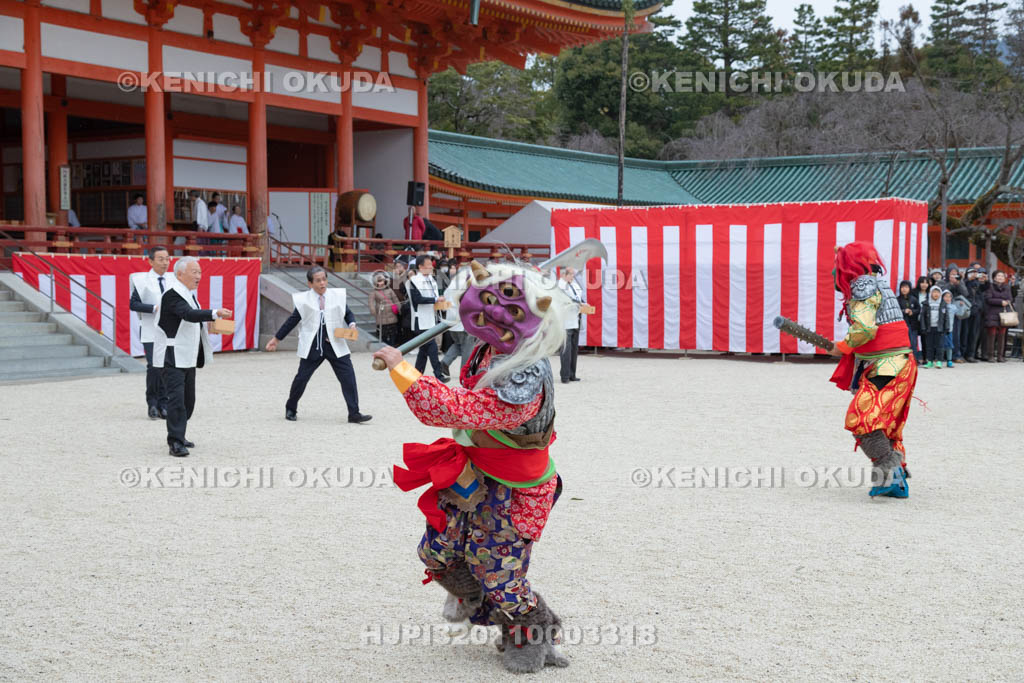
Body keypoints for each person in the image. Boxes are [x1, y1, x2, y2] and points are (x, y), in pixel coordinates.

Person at [372, 259, 573, 674]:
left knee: (500, 571)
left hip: (514, 485)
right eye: (487, 303)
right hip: (474, 470)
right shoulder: (487, 347)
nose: (496, 315)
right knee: (438, 551)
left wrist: (403, 370)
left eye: (512, 311)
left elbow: (459, 407)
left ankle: (532, 629)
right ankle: (474, 595)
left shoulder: (527, 369)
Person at [829, 242, 916, 499]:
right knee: (885, 424)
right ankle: (893, 482)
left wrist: (844, 345)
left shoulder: (862, 285)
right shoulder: (879, 283)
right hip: (901, 362)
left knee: (862, 420)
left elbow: (866, 328)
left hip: (887, 364)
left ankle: (891, 472)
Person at [265, 266, 371, 423]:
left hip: (334, 343)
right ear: (310, 283)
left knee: (348, 377)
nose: (322, 283)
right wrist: (276, 339)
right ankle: (291, 407)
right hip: (313, 344)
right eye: (318, 280)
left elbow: (347, 313)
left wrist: (352, 324)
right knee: (302, 378)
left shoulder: (337, 296)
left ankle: (354, 413)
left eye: (324, 279)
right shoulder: (304, 300)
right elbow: (292, 321)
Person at [153, 257, 232, 457]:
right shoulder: (172, 294)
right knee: (177, 400)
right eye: (194, 272)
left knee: (189, 400)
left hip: (187, 354)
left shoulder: (189, 294)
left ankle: (180, 432)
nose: (198, 276)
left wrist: (211, 325)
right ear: (180, 274)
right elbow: (188, 314)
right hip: (172, 355)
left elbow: (192, 319)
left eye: (199, 272)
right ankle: (175, 442)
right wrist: (215, 313)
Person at [129, 246, 176, 419]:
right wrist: (154, 308)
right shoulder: (142, 280)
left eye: (167, 259)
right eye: (161, 259)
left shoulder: (174, 279)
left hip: (169, 329)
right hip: (150, 328)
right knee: (153, 366)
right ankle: (152, 403)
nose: (165, 263)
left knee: (166, 366)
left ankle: (164, 403)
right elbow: (133, 304)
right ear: (150, 261)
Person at [406, 254, 449, 382]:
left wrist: (441, 302)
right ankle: (439, 375)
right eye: (428, 265)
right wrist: (436, 299)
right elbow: (417, 299)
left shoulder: (432, 279)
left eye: (431, 265)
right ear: (420, 267)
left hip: (431, 317)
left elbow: (435, 296)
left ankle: (416, 375)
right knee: (432, 347)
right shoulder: (413, 281)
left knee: (423, 351)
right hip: (420, 319)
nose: (431, 267)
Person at [438, 265, 479, 378]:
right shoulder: (468, 285)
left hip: (451, 322)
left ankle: (445, 362)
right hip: (463, 322)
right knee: (467, 348)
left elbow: (445, 302)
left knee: (458, 344)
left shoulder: (452, 285)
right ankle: (464, 372)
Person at [558, 267, 585, 383]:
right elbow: (567, 299)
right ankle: (565, 375)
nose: (573, 276)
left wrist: (583, 303)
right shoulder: (560, 285)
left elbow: (578, 297)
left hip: (576, 318)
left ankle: (572, 374)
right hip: (565, 321)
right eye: (571, 274)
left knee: (574, 349)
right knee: (566, 349)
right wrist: (579, 303)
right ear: (564, 274)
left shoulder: (573, 284)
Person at [983, 270, 1014, 363]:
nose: (1000, 277)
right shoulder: (990, 286)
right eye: (998, 276)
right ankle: (990, 355)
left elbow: (1010, 298)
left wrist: (1007, 301)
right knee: (991, 335)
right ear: (994, 277)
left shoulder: (1007, 287)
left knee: (1002, 335)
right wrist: (1001, 302)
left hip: (1004, 313)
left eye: (1002, 276)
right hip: (992, 313)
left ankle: (1000, 356)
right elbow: (988, 299)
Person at [369, 271, 401, 347]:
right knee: (383, 335)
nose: (381, 283)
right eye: (379, 281)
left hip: (392, 314)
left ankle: (392, 346)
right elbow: (371, 302)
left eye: (382, 281)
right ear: (376, 282)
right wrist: (373, 311)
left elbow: (395, 300)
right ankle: (386, 347)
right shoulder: (373, 292)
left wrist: (399, 308)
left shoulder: (390, 290)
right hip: (381, 316)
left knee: (393, 334)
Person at [919, 285, 948, 369]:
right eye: (934, 292)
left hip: (939, 328)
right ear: (930, 293)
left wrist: (946, 327)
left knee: (939, 345)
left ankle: (939, 361)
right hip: (929, 328)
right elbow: (922, 317)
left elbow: (946, 317)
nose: (936, 294)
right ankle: (930, 361)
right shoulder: (926, 303)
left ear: (940, 294)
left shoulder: (943, 304)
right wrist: (923, 327)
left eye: (938, 292)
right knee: (929, 346)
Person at [897, 280, 921, 363]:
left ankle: (914, 360)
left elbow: (919, 309)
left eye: (906, 287)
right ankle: (903, 361)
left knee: (913, 343)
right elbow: (896, 311)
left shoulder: (914, 299)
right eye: (902, 287)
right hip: (902, 325)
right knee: (902, 343)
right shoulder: (897, 300)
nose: (904, 289)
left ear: (910, 288)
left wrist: (912, 312)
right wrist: (904, 311)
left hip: (912, 325)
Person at [914, 276, 931, 360]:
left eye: (926, 282)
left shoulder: (930, 294)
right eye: (922, 282)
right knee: (913, 339)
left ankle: (925, 358)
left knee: (925, 340)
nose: (924, 285)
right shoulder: (914, 292)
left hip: (925, 320)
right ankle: (915, 358)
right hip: (915, 319)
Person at [941, 290, 956, 368]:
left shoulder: (953, 307)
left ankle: (949, 360)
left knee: (949, 345)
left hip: (949, 329)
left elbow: (960, 313)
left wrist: (962, 305)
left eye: (949, 296)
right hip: (940, 329)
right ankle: (939, 359)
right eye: (945, 296)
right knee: (940, 345)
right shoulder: (940, 306)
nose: (947, 298)